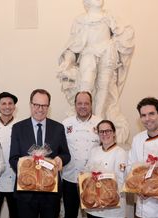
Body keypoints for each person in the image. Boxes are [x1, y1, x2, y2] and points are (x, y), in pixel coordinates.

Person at [57, 0, 134, 143]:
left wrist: (119, 42)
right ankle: (84, 121)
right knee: (85, 88)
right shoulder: (80, 20)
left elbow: (125, 34)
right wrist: (67, 61)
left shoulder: (109, 17)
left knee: (104, 88)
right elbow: (73, 48)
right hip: (88, 54)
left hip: (107, 53)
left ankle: (98, 123)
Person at [9, 89, 71, 218]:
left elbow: (66, 155)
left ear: (48, 107)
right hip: (26, 192)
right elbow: (13, 158)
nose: (40, 109)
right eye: (36, 105)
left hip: (51, 193)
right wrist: (29, 164)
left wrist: (60, 159)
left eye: (44, 106)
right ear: (30, 105)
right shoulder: (18, 128)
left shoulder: (58, 128)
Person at [61, 91, 101, 218]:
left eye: (86, 103)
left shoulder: (100, 123)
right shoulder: (66, 124)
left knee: (94, 217)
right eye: (80, 103)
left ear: (91, 105)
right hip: (70, 178)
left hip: (92, 180)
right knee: (69, 216)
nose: (83, 106)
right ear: (75, 105)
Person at [85, 120, 126, 218]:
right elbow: (87, 172)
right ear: (98, 134)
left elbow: (121, 180)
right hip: (94, 208)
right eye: (101, 131)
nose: (104, 134)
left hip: (113, 209)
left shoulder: (120, 153)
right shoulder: (94, 151)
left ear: (114, 133)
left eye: (108, 131)